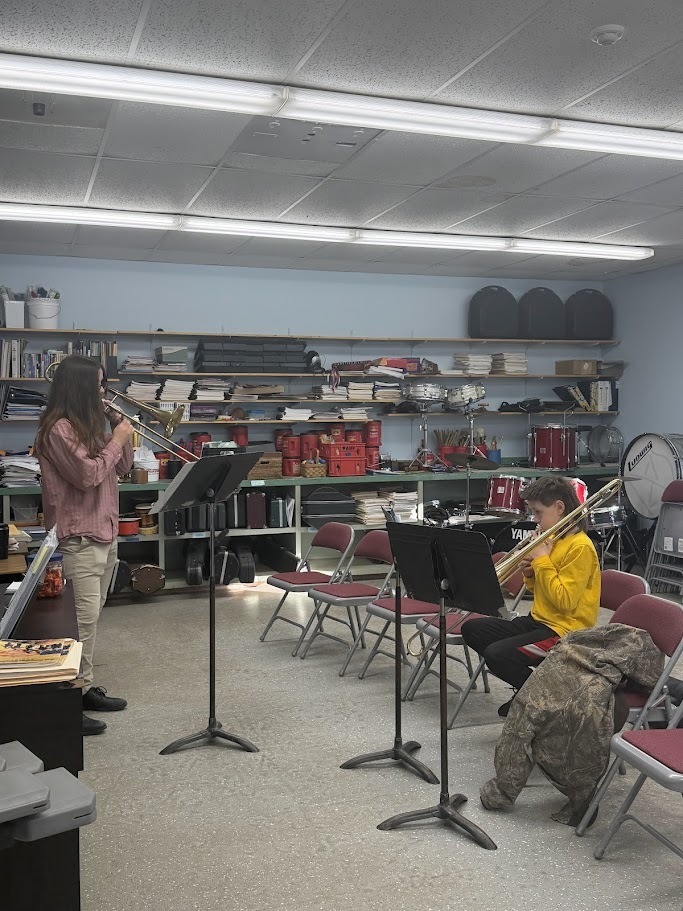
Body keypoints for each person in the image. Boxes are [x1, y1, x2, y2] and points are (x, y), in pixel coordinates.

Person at [35, 355, 134, 736]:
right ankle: (67, 702)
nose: (103, 391)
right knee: (76, 625)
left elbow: (121, 468)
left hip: (104, 533)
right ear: (78, 388)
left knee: (90, 621)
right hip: (77, 538)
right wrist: (117, 440)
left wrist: (118, 432)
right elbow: (88, 475)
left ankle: (85, 688)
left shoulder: (91, 425)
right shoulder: (58, 430)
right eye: (97, 385)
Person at [461, 476, 600, 717]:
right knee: (472, 629)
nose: (535, 520)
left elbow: (565, 602)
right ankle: (530, 693)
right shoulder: (553, 539)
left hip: (564, 631)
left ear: (559, 508)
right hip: (538, 620)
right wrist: (531, 572)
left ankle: (542, 697)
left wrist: (542, 561)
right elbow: (541, 591)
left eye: (538, 512)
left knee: (497, 653)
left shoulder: (580, 547)